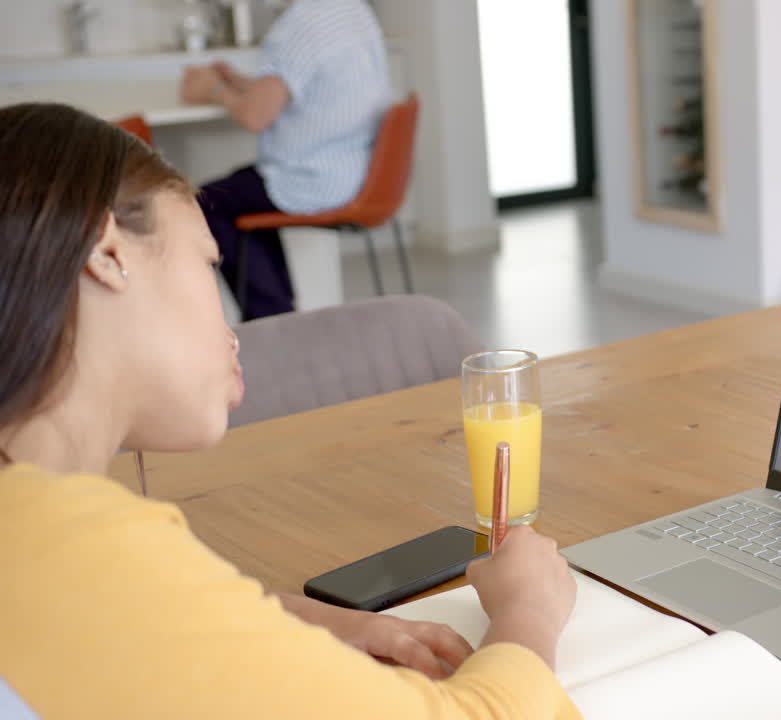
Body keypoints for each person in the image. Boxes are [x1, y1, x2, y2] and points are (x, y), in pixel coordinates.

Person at [0, 102, 580, 719]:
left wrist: (270, 618)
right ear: (107, 252)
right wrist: (528, 609)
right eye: (207, 261)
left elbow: (127, 630)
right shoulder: (87, 551)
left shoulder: (44, 544)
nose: (231, 331)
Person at [180, 0, 391, 319]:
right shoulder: (352, 10)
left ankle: (271, 320)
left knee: (206, 202)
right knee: (244, 192)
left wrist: (214, 90)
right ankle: (281, 315)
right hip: (357, 169)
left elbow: (255, 116)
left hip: (314, 178)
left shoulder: (301, 23)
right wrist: (241, 83)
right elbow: (305, 88)